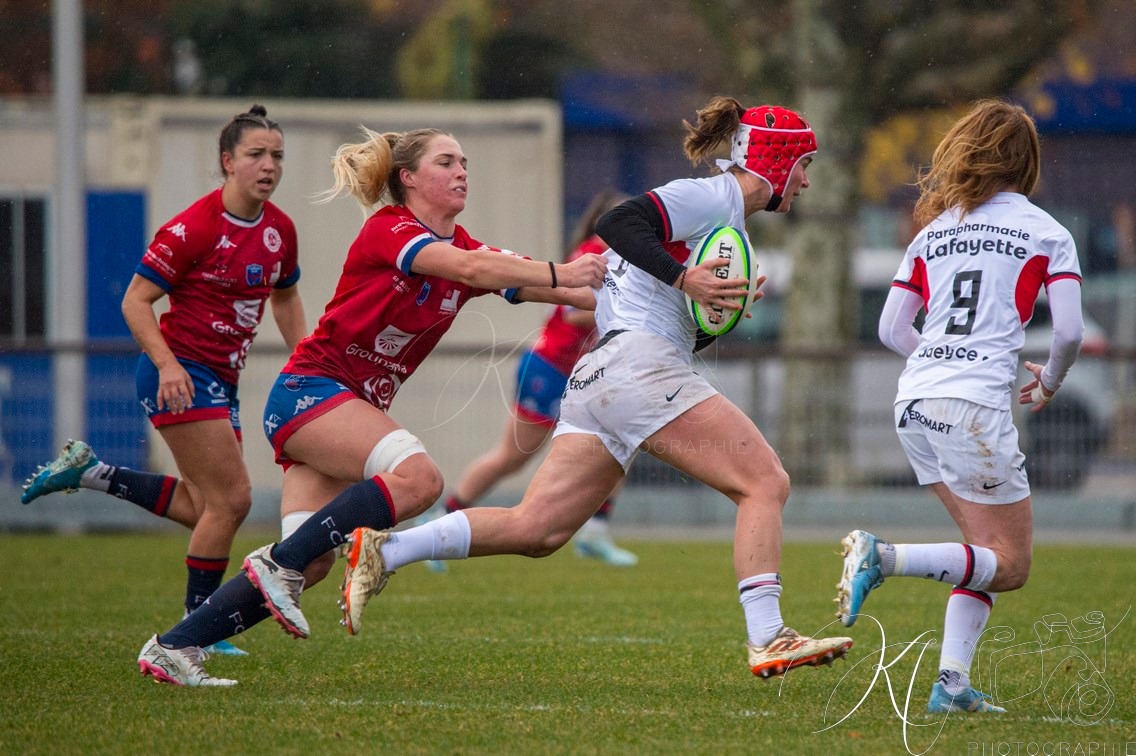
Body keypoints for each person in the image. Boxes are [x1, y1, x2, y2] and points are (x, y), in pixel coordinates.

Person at [336, 96, 854, 680]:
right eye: (803, 164)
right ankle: (768, 636)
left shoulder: (724, 221)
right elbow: (617, 223)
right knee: (765, 482)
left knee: (538, 529)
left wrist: (716, 308)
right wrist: (688, 280)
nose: (806, 180)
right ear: (777, 159)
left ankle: (388, 549)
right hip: (637, 367)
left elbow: (669, 316)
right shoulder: (711, 195)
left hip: (602, 374)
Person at [135, 125, 607, 686]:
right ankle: (274, 567)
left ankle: (174, 645)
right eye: (447, 162)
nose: (461, 172)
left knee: (311, 561)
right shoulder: (391, 229)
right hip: (310, 394)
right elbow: (479, 272)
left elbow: (552, 287)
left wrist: (676, 290)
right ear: (407, 178)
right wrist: (564, 270)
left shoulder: (466, 248)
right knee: (419, 479)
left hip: (336, 410)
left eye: (465, 163)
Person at [23, 105, 306, 657]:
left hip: (220, 378)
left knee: (208, 507)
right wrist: (170, 365)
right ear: (227, 162)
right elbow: (135, 301)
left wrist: (306, 361)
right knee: (233, 500)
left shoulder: (280, 231)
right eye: (255, 155)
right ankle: (195, 633)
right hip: (176, 372)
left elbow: (287, 296)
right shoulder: (192, 227)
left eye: (276, 156)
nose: (268, 165)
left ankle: (93, 473)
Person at [834, 100, 1084, 714]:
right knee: (1012, 564)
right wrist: (1048, 381)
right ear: (1027, 163)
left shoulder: (934, 230)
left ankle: (951, 687)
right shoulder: (1046, 231)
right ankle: (883, 556)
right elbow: (1071, 332)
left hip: (914, 400)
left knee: (981, 555)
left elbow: (895, 327)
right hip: (971, 405)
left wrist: (939, 363)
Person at [432, 189, 638, 570]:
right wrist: (632, 313)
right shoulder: (593, 253)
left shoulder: (625, 259)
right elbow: (572, 313)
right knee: (512, 457)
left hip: (584, 372)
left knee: (621, 440)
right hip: (549, 368)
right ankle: (441, 518)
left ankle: (595, 531)